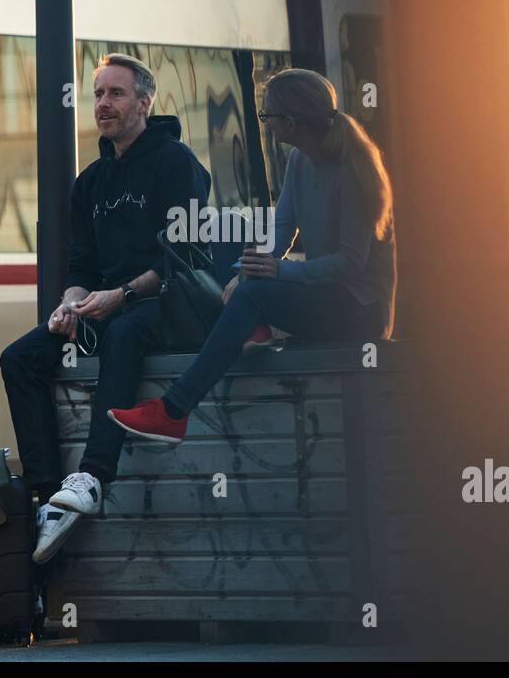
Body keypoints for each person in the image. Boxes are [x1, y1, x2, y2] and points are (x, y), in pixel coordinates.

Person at [107, 67, 396, 443]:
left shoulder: (352, 169)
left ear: (290, 121)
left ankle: (174, 409)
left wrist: (277, 272)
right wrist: (249, 270)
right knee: (241, 274)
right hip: (328, 296)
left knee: (252, 294)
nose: (266, 124)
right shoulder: (298, 160)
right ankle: (244, 334)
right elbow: (282, 229)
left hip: (360, 308)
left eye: (267, 116)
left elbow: (350, 262)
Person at [0, 53, 210, 563]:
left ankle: (92, 475)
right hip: (104, 307)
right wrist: (69, 305)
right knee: (18, 358)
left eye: (116, 94)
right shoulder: (90, 182)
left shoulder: (177, 163)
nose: (103, 104)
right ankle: (50, 494)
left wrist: (123, 295)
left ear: (144, 101)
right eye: (97, 94)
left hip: (166, 303)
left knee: (124, 333)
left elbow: (186, 255)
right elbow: (80, 264)